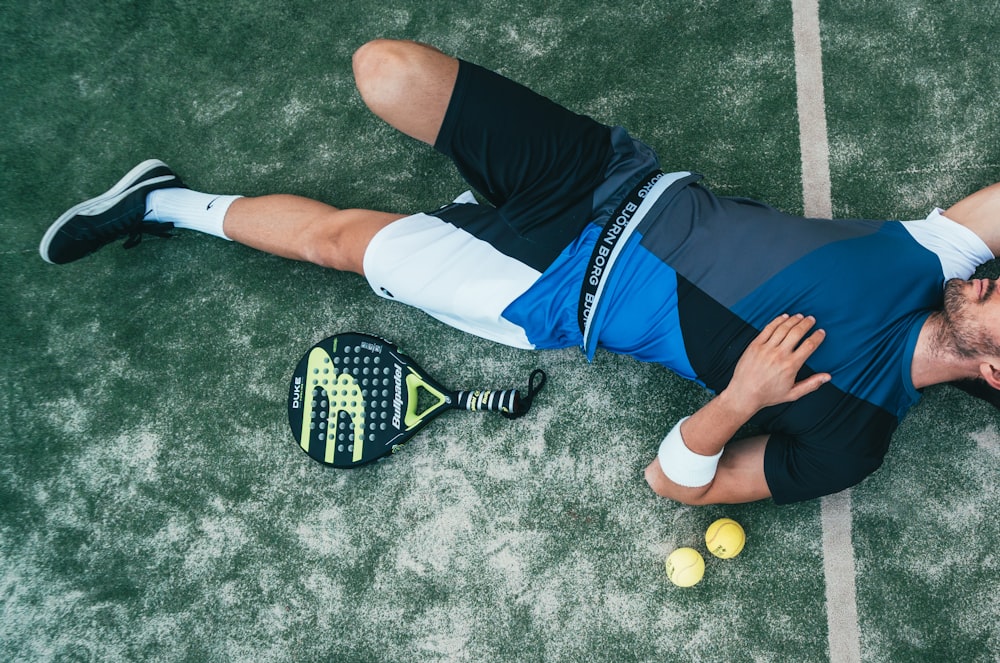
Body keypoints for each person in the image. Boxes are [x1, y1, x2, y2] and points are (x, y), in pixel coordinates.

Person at [39, 39, 1000, 506]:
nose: (997, 275)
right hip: (603, 177)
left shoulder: (854, 438)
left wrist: (741, 396)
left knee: (336, 241)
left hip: (537, 293)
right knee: (386, 70)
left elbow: (678, 486)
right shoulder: (943, 257)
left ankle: (159, 204)